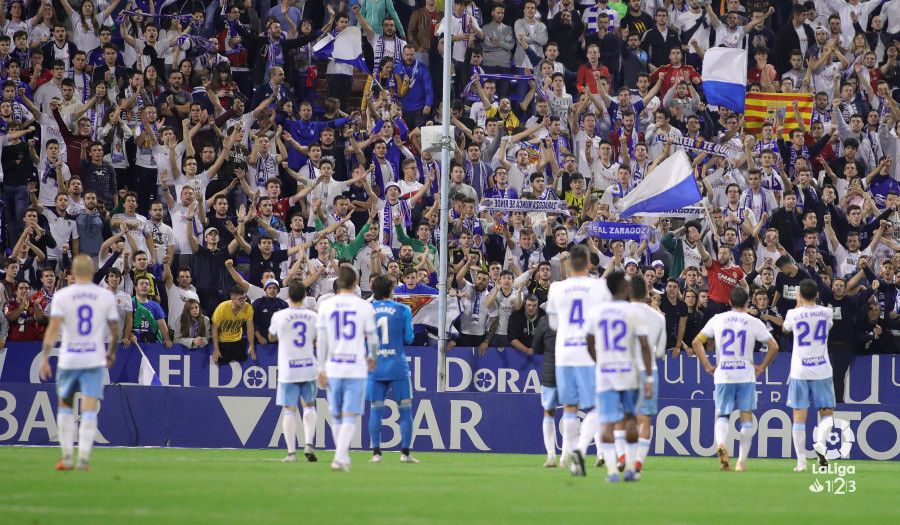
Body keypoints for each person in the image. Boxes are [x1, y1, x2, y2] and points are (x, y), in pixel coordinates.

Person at [39, 255, 120, 471]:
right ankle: (84, 458)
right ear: (93, 272)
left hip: (69, 358)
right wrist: (111, 354)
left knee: (65, 405)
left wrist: (45, 357)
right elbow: (115, 331)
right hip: (94, 359)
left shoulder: (62, 296)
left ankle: (66, 457)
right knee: (89, 408)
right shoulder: (105, 296)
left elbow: (53, 329)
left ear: (72, 274)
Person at [691, 287, 779, 472]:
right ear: (747, 302)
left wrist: (707, 365)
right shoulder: (753, 321)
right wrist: (761, 367)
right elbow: (774, 346)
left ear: (729, 302)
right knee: (746, 417)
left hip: (724, 373)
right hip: (745, 374)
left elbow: (696, 342)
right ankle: (741, 461)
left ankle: (722, 443)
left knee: (722, 415)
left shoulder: (718, 319)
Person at [545, 244, 611, 470]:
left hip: (564, 352)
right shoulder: (600, 287)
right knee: (597, 406)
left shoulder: (556, 288)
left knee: (570, 407)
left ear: (569, 263)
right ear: (589, 262)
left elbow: (553, 323)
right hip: (588, 353)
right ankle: (581, 449)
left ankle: (565, 454)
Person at [584, 271, 653, 482]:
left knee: (607, 422)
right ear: (622, 288)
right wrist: (649, 377)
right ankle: (631, 468)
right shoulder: (633, 312)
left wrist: (600, 362)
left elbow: (588, 341)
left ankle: (612, 472)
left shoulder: (597, 312)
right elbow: (644, 346)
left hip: (605, 373)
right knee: (631, 417)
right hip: (629, 371)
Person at [316, 267, 378, 472]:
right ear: (355, 284)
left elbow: (322, 341)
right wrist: (372, 356)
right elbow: (373, 338)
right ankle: (340, 456)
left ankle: (340, 456)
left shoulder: (325, 306)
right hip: (355, 367)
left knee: (336, 415)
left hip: (333, 366)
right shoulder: (365, 307)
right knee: (350, 414)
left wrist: (320, 368)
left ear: (338, 283)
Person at [782, 279, 836, 471]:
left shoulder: (793, 314)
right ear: (817, 295)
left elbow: (785, 328)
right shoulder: (826, 312)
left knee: (799, 415)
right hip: (822, 369)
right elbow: (827, 326)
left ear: (800, 295)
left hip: (800, 370)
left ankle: (801, 461)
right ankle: (821, 447)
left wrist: (798, 305)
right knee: (826, 413)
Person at [368, 275, 418, 464]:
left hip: (376, 364)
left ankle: (376, 454)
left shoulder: (369, 310)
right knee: (405, 410)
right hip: (397, 364)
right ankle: (405, 453)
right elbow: (409, 338)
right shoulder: (403, 309)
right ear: (390, 290)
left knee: (376, 410)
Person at [268, 280, 319, 463]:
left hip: (288, 369)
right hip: (308, 367)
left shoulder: (279, 316)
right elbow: (318, 339)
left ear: (288, 296)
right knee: (309, 406)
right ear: (305, 296)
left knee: (289, 410)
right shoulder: (313, 316)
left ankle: (291, 453)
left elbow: (271, 336)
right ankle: (308, 444)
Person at [629, 275, 666, 476]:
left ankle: (623, 457)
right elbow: (660, 352)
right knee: (644, 419)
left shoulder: (620, 314)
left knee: (625, 417)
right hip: (648, 371)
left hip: (624, 369)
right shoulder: (658, 318)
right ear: (646, 293)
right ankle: (638, 463)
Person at [531, 312, 558, 467]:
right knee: (572, 410)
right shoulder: (573, 318)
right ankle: (566, 456)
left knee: (548, 411)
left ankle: (551, 455)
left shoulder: (545, 320)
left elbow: (536, 347)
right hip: (570, 369)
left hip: (550, 369)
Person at [211, 286, 256, 364]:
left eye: (244, 298)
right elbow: (214, 328)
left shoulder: (248, 307)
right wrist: (216, 349)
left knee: (242, 359)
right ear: (232, 298)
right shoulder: (222, 308)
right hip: (222, 340)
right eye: (240, 299)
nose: (243, 301)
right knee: (221, 362)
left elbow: (250, 327)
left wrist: (251, 345)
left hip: (238, 339)